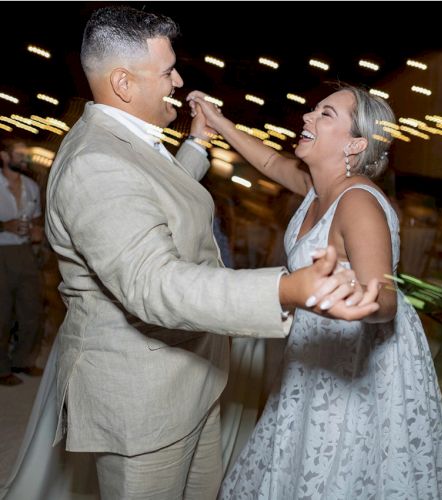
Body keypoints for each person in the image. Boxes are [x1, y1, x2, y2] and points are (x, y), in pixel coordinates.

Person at [14, 6, 381, 500]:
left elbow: (149, 204)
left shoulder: (125, 141)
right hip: (143, 400)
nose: (178, 80)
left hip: (190, 381)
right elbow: (155, 282)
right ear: (123, 83)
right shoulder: (96, 162)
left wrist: (197, 145)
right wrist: (286, 287)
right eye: (167, 71)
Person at [188, 86, 442, 499]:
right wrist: (219, 121)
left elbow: (385, 300)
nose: (308, 117)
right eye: (315, 109)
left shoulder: (358, 203)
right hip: (317, 353)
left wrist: (354, 302)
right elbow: (268, 161)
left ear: (354, 144)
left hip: (354, 362)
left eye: (326, 114)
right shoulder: (319, 189)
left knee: (337, 470)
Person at [0, 139, 44, 386]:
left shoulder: (31, 186)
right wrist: (3, 225)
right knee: (2, 313)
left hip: (25, 251)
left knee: (33, 310)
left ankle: (23, 360)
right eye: (19, 154)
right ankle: (1, 367)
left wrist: (37, 232)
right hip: (1, 251)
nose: (24, 159)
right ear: (4, 157)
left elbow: (36, 218)